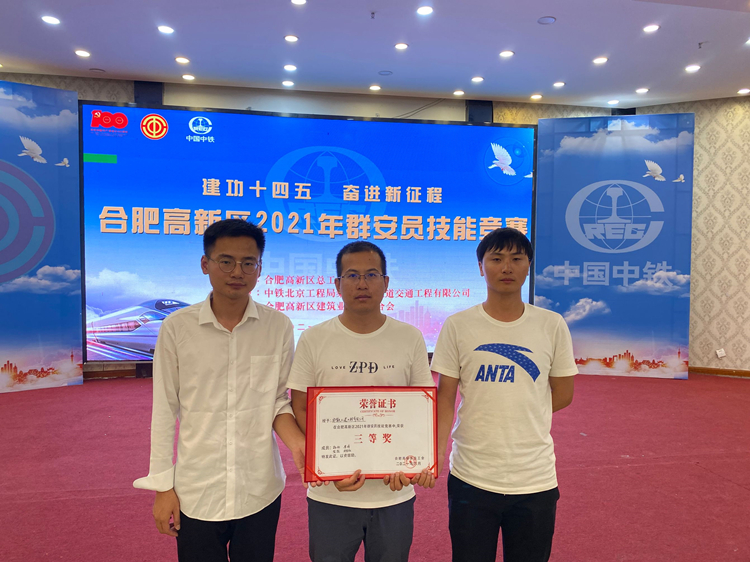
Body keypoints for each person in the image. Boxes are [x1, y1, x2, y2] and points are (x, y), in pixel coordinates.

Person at [133, 219, 307, 562]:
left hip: (259, 489)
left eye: (248, 263)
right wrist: (163, 487)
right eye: (226, 261)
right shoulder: (177, 328)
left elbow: (277, 401)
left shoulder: (278, 326)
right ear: (205, 264)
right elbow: (164, 409)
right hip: (197, 490)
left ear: (260, 268)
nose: (237, 272)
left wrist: (300, 445)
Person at [431, 227, 577, 562]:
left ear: (529, 266)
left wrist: (520, 409)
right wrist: (437, 452)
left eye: (516, 258)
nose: (507, 267)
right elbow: (445, 396)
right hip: (471, 475)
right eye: (496, 259)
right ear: (481, 267)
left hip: (535, 478)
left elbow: (564, 393)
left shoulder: (551, 324)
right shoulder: (458, 325)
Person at [287, 241, 436, 562]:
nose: (362, 283)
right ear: (337, 284)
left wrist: (417, 463)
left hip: (394, 493)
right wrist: (326, 466)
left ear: (386, 282)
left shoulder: (409, 337)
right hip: (331, 495)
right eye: (352, 275)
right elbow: (300, 406)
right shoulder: (314, 337)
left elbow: (421, 409)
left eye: (371, 274)